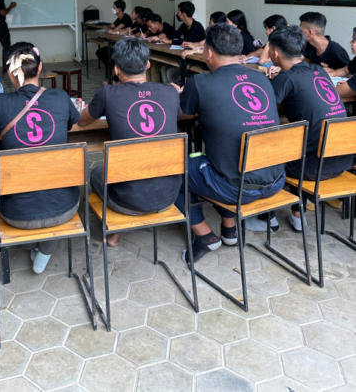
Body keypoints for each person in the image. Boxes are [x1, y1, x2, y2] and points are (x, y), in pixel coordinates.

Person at [176, 23, 283, 262]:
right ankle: (229, 229)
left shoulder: (200, 83)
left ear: (209, 52)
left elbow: (182, 112)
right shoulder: (263, 79)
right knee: (219, 161)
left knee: (173, 170)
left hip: (237, 187)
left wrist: (177, 93)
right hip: (276, 180)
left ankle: (204, 235)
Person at [0, 43, 81, 274]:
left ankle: (27, 241)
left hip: (15, 214)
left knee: (0, 161)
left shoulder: (0, 103)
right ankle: (43, 254)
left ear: (11, 75)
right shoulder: (61, 97)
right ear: (41, 67)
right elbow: (73, 121)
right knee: (53, 193)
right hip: (64, 209)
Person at [78, 38, 183, 247]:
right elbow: (177, 114)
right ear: (148, 65)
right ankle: (118, 231)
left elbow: (81, 122)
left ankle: (117, 230)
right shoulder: (170, 92)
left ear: (116, 70)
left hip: (126, 201)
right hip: (169, 196)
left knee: (96, 173)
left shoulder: (108, 93)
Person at [263, 26, 349, 233]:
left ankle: (267, 217)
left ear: (274, 53)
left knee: (263, 151)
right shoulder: (318, 70)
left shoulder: (286, 79)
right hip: (342, 160)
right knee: (304, 143)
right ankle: (297, 216)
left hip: (311, 168)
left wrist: (275, 79)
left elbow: (264, 110)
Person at [161, 2, 206, 84]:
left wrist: (169, 41)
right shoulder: (184, 25)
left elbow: (188, 41)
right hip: (186, 58)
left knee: (170, 72)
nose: (177, 14)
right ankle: (170, 93)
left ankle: (177, 94)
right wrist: (161, 37)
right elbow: (175, 34)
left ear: (184, 14)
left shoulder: (197, 26)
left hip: (196, 60)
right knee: (164, 68)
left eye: (178, 12)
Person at [96, 0, 133, 70]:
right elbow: (112, 26)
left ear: (119, 9)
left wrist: (112, 30)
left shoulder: (126, 18)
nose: (112, 9)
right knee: (100, 52)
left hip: (124, 45)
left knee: (104, 53)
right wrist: (108, 27)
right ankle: (113, 69)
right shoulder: (119, 18)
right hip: (117, 42)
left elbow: (115, 30)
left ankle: (114, 70)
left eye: (114, 7)